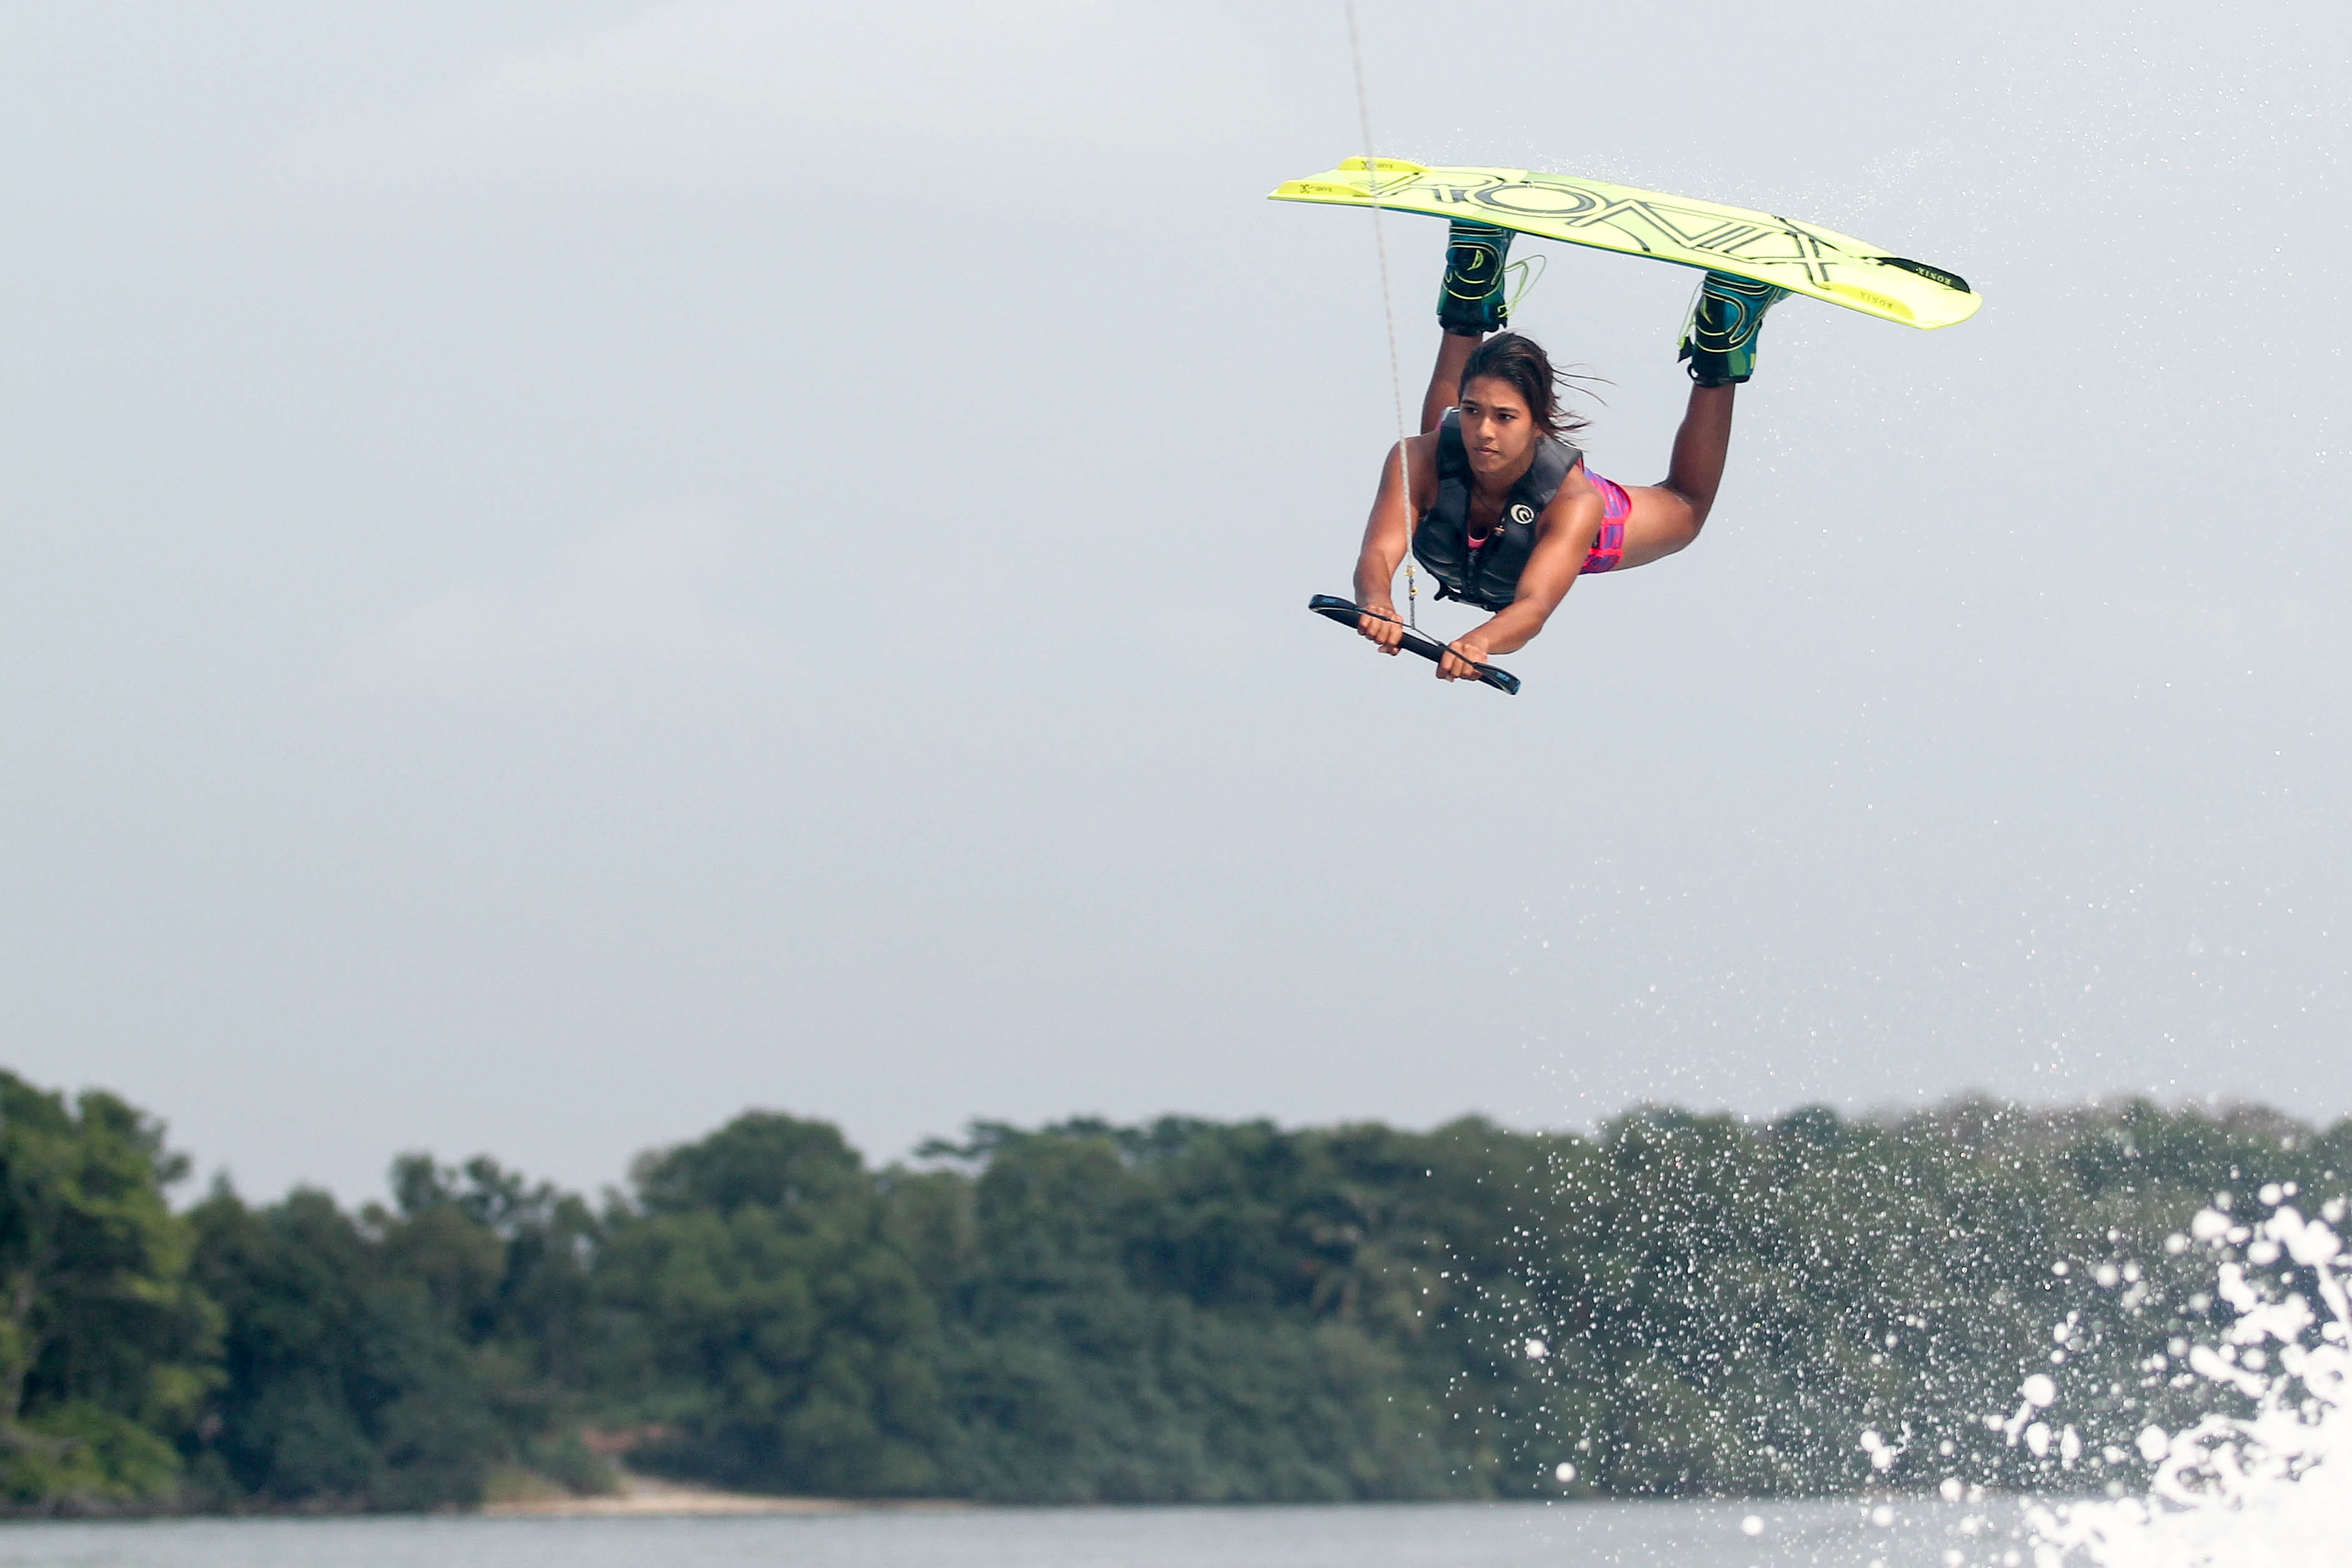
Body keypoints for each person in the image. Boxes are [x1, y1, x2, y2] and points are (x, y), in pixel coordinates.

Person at [1350, 220, 1787, 680]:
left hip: (1577, 522)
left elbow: (1534, 606)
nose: (1483, 430)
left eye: (1505, 417)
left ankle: (1723, 338)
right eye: (1474, 410)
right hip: (1455, 481)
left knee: (1686, 510)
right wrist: (1376, 601)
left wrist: (1480, 640)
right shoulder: (1416, 458)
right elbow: (1377, 554)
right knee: (1441, 441)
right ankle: (1471, 267)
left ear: (1538, 424)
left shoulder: (1575, 503)